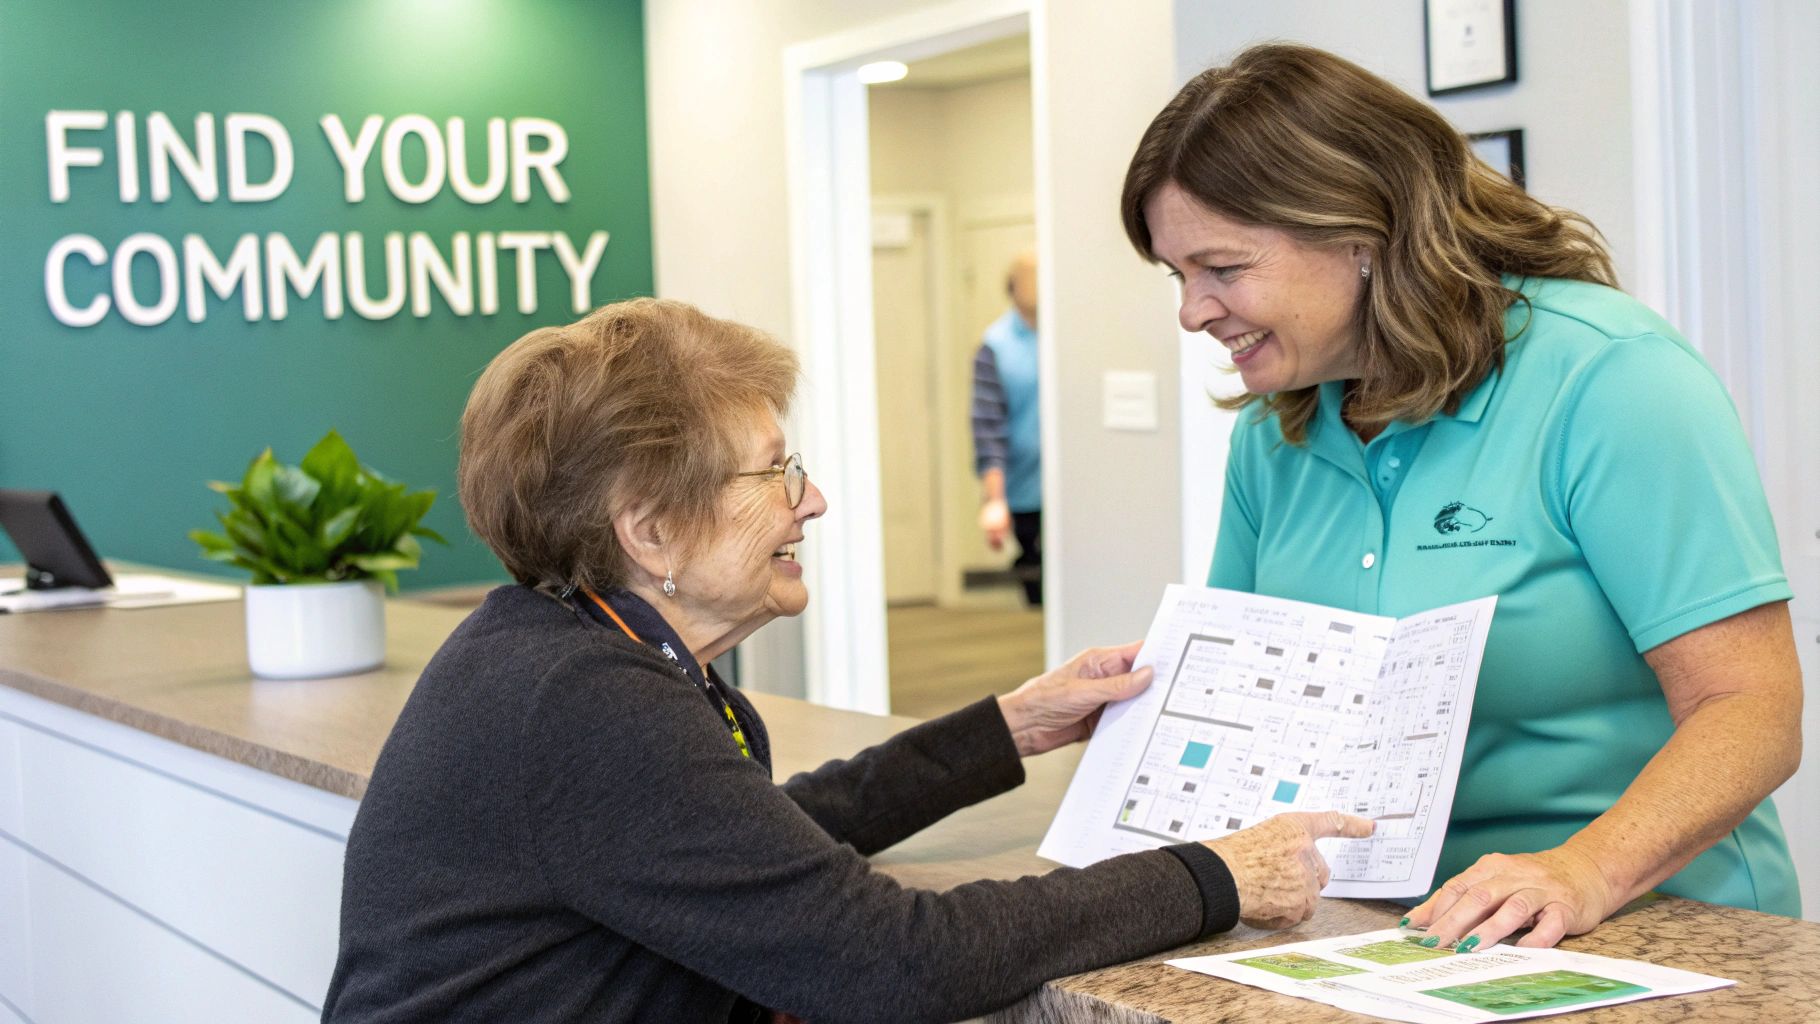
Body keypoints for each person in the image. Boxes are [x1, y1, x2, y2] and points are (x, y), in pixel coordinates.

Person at [320, 297, 1373, 1023]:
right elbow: (892, 960)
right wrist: (1214, 874)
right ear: (648, 529)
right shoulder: (582, 702)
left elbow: (758, 855)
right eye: (774, 472)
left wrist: (1007, 726)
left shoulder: (567, 646)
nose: (810, 500)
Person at [1119, 43, 1804, 954]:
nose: (1193, 312)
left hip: (1651, 917)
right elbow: (1268, 715)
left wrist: (1584, 869)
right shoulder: (1271, 436)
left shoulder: (1607, 378)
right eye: (1178, 276)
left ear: (1357, 232)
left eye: (1223, 269)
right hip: (1393, 930)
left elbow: (1753, 707)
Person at [972, 251, 1043, 605]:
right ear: (1012, 288)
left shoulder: (1069, 336)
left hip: (1070, 489)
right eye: (1027, 278)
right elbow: (988, 428)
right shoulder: (995, 346)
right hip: (1023, 492)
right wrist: (994, 499)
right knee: (1037, 584)